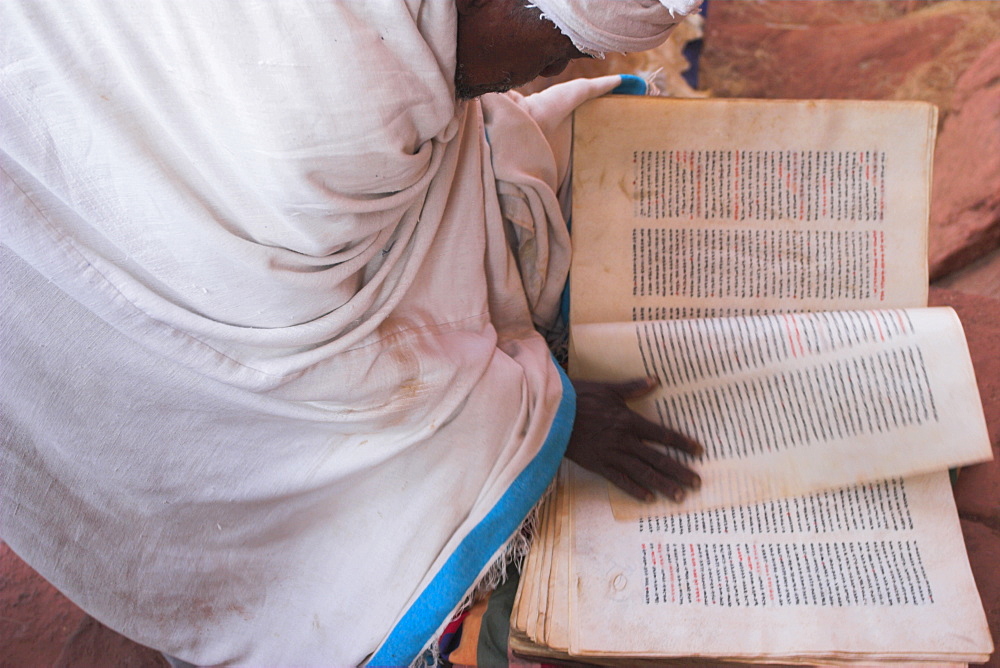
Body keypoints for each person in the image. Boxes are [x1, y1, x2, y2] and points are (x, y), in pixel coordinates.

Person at [0, 0, 702, 664]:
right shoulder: (334, 95)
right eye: (556, 46)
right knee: (326, 541)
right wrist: (553, 417)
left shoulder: (378, 50)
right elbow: (328, 378)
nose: (551, 72)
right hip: (116, 241)